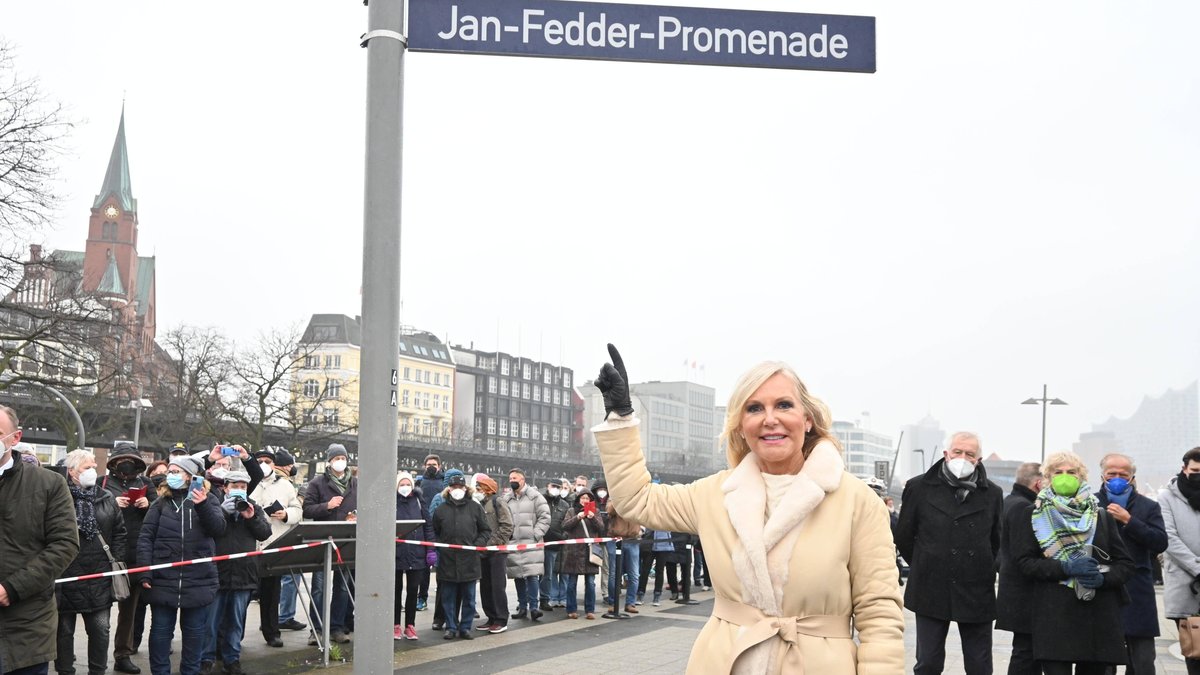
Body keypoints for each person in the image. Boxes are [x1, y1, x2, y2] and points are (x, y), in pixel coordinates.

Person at [593, 345, 904, 672]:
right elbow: (636, 498)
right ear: (741, 426)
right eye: (754, 408)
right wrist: (620, 417)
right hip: (727, 662)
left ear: (808, 419)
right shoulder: (715, 494)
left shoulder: (857, 501)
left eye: (784, 405)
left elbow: (879, 614)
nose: (770, 419)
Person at [1011, 451, 1134, 674]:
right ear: (1047, 478)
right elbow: (1025, 563)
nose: (1065, 477)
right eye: (1058, 472)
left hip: (1096, 618)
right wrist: (1065, 568)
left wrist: (1102, 578)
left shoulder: (1101, 516)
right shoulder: (1033, 515)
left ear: (1082, 477)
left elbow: (1125, 564)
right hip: (1054, 618)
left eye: (1072, 472)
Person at [895, 431, 1003, 675]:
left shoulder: (993, 494)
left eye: (970, 454)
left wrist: (981, 565)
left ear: (979, 459)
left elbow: (996, 540)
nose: (962, 458)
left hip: (976, 589)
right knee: (928, 663)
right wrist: (926, 560)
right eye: (957, 452)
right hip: (930, 586)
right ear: (946, 454)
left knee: (980, 665)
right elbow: (904, 535)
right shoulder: (918, 487)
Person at [0, 405, 80, 675]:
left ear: (15, 438)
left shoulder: (49, 485)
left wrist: (11, 588)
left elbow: (65, 544)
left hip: (26, 630)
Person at [137, 454, 225, 675]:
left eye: (176, 471)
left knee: (195, 636)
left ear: (190, 476)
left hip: (198, 581)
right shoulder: (160, 504)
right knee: (159, 634)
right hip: (163, 580)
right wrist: (146, 572)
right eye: (170, 471)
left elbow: (218, 529)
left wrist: (202, 504)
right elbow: (146, 538)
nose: (170, 475)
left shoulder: (210, 499)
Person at [54, 449, 128, 675]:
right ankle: (65, 671)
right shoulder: (58, 498)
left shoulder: (106, 498)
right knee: (63, 632)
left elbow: (119, 533)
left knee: (100, 630)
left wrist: (114, 561)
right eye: (86, 468)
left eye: (94, 467)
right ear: (72, 472)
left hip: (99, 576)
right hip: (66, 575)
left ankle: (97, 671)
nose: (92, 471)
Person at [1095, 453, 1166, 675]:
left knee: (1142, 660)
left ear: (1132, 477)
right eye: (1111, 474)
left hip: (1137, 588)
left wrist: (1129, 521)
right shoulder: (1091, 502)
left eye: (1123, 475)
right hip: (1102, 586)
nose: (1117, 478)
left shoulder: (1148, 507)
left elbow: (1160, 542)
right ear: (1102, 475)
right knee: (1101, 659)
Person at [202, 466, 271, 675]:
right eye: (235, 486)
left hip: (243, 574)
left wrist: (251, 516)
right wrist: (223, 511)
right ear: (225, 488)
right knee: (210, 622)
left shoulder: (254, 507)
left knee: (236, 622)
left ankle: (232, 659)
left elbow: (264, 533)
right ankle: (206, 658)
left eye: (243, 486)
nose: (239, 490)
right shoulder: (215, 506)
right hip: (218, 573)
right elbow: (210, 530)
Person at [103, 441, 156, 675]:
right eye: (122, 459)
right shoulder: (101, 483)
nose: (127, 464)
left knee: (129, 611)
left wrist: (148, 504)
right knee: (99, 612)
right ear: (113, 462)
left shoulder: (146, 483)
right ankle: (93, 655)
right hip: (104, 555)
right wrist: (109, 503)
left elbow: (161, 511)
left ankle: (122, 654)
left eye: (132, 460)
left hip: (134, 555)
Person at [302, 443, 358, 645]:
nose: (340, 462)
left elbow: (364, 508)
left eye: (343, 458)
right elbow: (307, 510)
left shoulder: (355, 484)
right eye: (336, 458)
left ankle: (336, 627)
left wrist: (356, 517)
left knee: (343, 587)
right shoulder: (317, 483)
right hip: (323, 542)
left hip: (346, 542)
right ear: (330, 461)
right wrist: (327, 506)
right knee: (318, 587)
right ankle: (316, 628)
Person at [249, 449, 304, 648]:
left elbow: (298, 510)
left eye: (268, 461)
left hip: (274, 544)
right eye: (260, 461)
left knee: (271, 593)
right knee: (244, 593)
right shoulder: (247, 482)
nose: (264, 464)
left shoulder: (286, 485)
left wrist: (286, 514)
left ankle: (272, 631)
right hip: (249, 545)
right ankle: (230, 636)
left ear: (274, 464)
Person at [996, 462, 1043, 675]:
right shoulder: (1023, 507)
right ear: (1038, 483)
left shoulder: (1011, 502)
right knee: (1026, 654)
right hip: (1025, 593)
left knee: (1026, 651)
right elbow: (1022, 553)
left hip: (1015, 590)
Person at [430, 472, 491, 640]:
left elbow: (485, 530)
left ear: (466, 488)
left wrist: (477, 545)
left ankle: (465, 627)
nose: (457, 490)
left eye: (460, 487)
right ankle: (450, 626)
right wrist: (439, 549)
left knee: (469, 598)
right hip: (448, 561)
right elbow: (434, 531)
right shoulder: (441, 510)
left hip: (469, 560)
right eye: (454, 487)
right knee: (448, 598)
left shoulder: (475, 507)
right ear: (448, 489)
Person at [1158, 447, 1200, 675]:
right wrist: (1197, 568)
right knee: (1194, 651)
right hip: (1187, 587)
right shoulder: (1167, 497)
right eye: (1195, 470)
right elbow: (1169, 538)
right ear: (1184, 469)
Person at [504, 468, 550, 621]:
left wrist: (535, 534)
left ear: (523, 479)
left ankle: (534, 607)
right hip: (514, 543)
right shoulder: (506, 499)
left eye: (515, 478)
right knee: (518, 575)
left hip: (531, 543)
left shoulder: (535, 497)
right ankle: (522, 607)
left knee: (532, 575)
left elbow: (545, 517)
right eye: (510, 478)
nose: (512, 481)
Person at [393, 471, 433, 641]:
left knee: (412, 590)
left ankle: (410, 625)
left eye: (407, 484)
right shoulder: (391, 502)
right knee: (395, 591)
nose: (404, 487)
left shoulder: (419, 501)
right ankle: (395, 625)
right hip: (396, 552)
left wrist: (430, 549)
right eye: (401, 484)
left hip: (416, 552)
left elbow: (428, 526)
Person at [473, 473, 514, 634]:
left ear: (487, 489)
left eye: (478, 488)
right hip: (484, 552)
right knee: (486, 586)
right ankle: (491, 617)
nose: (476, 491)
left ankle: (501, 619)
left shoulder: (498, 502)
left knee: (497, 586)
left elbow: (507, 526)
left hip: (497, 552)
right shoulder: (479, 504)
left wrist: (491, 543)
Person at [561, 488, 605, 619]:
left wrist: (592, 518)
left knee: (591, 583)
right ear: (578, 499)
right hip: (573, 552)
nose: (585, 501)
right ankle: (571, 609)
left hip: (590, 552)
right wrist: (577, 517)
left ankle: (590, 610)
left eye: (587, 499)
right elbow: (565, 526)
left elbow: (601, 528)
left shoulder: (595, 511)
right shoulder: (571, 511)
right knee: (571, 583)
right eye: (582, 498)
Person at [416, 454, 445, 612]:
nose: (431, 466)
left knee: (442, 565)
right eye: (428, 464)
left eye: (434, 464)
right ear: (424, 466)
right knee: (424, 566)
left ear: (440, 466)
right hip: (424, 528)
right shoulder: (419, 483)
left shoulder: (444, 483)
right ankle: (422, 598)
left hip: (441, 529)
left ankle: (442, 598)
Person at [603, 499, 641, 618]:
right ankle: (613, 603)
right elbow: (609, 510)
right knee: (614, 573)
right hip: (615, 539)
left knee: (634, 574)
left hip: (633, 540)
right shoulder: (615, 496)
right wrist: (619, 497)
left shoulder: (638, 497)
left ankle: (630, 603)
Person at [540, 478, 572, 610]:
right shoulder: (540, 500)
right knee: (532, 574)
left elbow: (567, 524)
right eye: (554, 486)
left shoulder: (564, 505)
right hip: (539, 541)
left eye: (559, 487)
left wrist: (562, 537)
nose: (556, 489)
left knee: (548, 574)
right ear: (548, 486)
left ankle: (545, 598)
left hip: (554, 543)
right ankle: (526, 601)